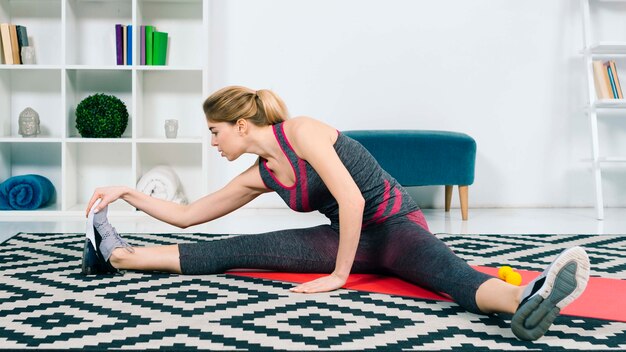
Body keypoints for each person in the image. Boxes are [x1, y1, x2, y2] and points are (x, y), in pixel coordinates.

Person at [82, 85, 590, 341]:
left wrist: (337, 277)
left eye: (214, 131)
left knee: (448, 274)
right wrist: (128, 191)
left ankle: (527, 297)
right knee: (230, 250)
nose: (212, 142)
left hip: (392, 227)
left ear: (239, 123)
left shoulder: (301, 131)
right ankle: (122, 258)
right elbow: (189, 215)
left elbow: (353, 200)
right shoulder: (259, 173)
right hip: (343, 236)